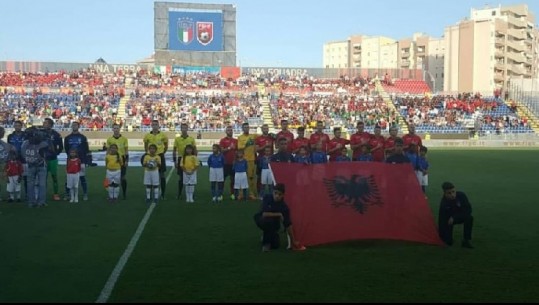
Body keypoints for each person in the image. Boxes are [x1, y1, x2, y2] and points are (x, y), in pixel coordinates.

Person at [253, 183, 306, 252]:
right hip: (261, 219)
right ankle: (266, 244)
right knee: (268, 221)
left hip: (274, 223)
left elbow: (288, 225)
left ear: (283, 195)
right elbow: (264, 214)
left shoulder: (284, 207)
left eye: (279, 194)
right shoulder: (267, 197)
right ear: (273, 192)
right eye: (275, 193)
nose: (277, 196)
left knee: (276, 245)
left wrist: (293, 241)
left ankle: (267, 237)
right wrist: (279, 214)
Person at [21, 127, 52, 208]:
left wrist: (30, 160)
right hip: (39, 165)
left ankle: (32, 202)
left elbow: (23, 154)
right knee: (41, 184)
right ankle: (40, 202)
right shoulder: (43, 143)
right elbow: (50, 152)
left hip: (32, 165)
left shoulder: (25, 143)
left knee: (31, 184)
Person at [438, 182, 474, 249]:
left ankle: (466, 240)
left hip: (459, 217)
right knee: (448, 242)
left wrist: (454, 217)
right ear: (444, 194)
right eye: (449, 193)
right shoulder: (444, 203)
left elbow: (468, 210)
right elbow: (442, 220)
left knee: (469, 218)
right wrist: (441, 236)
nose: (452, 195)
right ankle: (448, 239)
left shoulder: (462, 195)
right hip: (448, 221)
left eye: (453, 191)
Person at [64, 121, 91, 201]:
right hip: (70, 161)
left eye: (75, 125)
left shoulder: (83, 137)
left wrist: (85, 160)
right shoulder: (67, 138)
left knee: (82, 177)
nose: (74, 126)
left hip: (81, 160)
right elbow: (66, 149)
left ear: (78, 126)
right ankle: (67, 194)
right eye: (73, 125)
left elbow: (86, 149)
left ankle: (85, 193)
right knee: (69, 178)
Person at [143, 120, 169, 200]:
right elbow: (146, 146)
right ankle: (149, 195)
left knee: (162, 175)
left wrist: (161, 153)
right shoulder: (147, 135)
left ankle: (163, 194)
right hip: (150, 157)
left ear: (158, 125)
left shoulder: (163, 135)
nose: (154, 126)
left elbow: (166, 146)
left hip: (159, 156)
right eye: (153, 124)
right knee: (150, 175)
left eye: (156, 124)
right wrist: (148, 154)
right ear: (151, 125)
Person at [172, 123, 197, 200]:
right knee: (181, 178)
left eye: (185, 128)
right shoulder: (177, 139)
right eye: (182, 128)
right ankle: (179, 193)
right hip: (181, 159)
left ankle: (191, 194)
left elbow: (195, 149)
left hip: (190, 159)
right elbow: (174, 150)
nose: (184, 129)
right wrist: (175, 161)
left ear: (187, 129)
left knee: (191, 177)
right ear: (181, 129)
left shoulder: (191, 139)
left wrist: (195, 159)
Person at [42, 118, 63, 201]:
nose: (44, 124)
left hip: (53, 159)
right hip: (43, 159)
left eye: (45, 123)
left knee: (54, 177)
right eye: (44, 122)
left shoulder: (56, 134)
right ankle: (43, 193)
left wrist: (56, 153)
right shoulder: (40, 133)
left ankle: (56, 194)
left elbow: (60, 146)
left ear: (50, 125)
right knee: (43, 178)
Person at [106, 123, 129, 199]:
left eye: (117, 128)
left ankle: (124, 193)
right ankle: (112, 195)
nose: (116, 130)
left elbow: (126, 151)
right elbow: (108, 151)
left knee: (123, 177)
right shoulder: (109, 139)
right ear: (112, 129)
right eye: (114, 128)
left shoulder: (124, 139)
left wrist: (126, 161)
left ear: (119, 129)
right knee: (111, 179)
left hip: (121, 159)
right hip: (112, 159)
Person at [237, 122, 258, 200]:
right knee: (242, 177)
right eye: (245, 127)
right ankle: (241, 194)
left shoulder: (253, 136)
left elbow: (262, 136)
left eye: (247, 127)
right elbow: (239, 148)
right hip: (242, 160)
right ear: (242, 129)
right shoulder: (240, 137)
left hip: (251, 160)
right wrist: (246, 144)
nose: (246, 128)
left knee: (251, 177)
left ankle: (251, 193)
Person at [7, 121, 27, 197]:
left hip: (23, 159)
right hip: (13, 159)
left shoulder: (25, 135)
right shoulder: (10, 136)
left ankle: (26, 194)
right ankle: (11, 195)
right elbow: (9, 147)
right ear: (14, 126)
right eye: (16, 125)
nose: (17, 127)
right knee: (12, 177)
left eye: (18, 125)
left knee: (25, 177)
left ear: (21, 126)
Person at [219, 125, 238, 200]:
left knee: (233, 180)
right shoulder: (223, 140)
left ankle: (232, 194)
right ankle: (220, 194)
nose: (230, 131)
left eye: (231, 130)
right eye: (228, 130)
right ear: (226, 131)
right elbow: (221, 150)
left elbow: (238, 151)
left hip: (233, 163)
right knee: (222, 179)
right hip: (225, 163)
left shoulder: (236, 141)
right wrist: (229, 148)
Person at [0, 126, 16, 201]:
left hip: (4, 163)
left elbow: (11, 148)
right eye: (2, 132)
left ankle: (10, 195)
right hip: (3, 163)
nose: (4, 133)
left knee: (8, 179)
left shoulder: (3, 143)